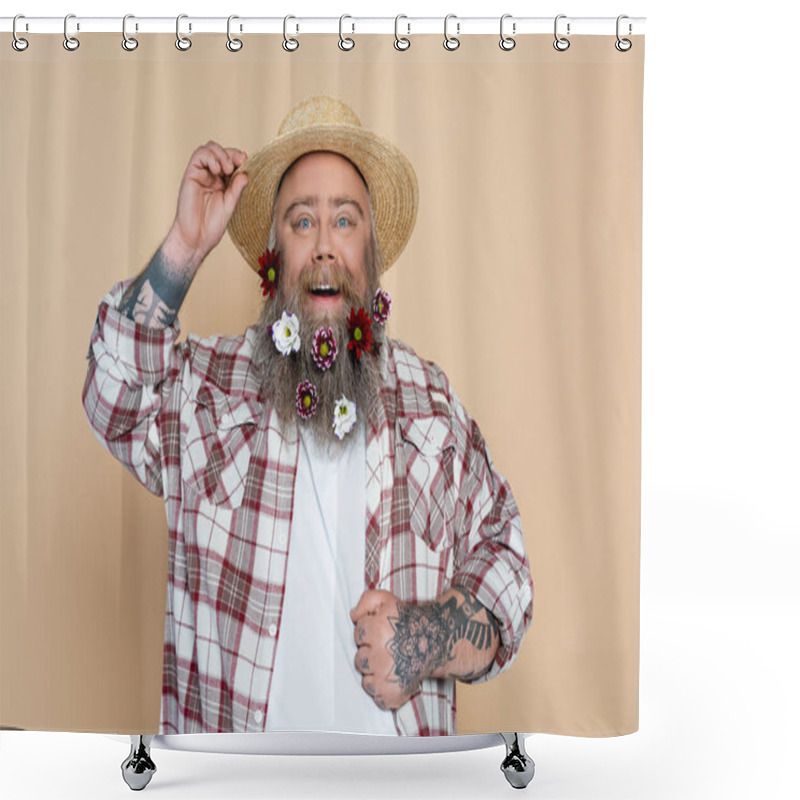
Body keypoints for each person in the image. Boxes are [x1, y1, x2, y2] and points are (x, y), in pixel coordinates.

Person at [82, 95, 533, 736]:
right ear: (274, 256)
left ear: (371, 253)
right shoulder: (205, 389)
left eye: (345, 221)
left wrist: (427, 637)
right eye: (301, 222)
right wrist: (183, 247)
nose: (324, 246)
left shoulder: (431, 403)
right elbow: (113, 397)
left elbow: (508, 571)